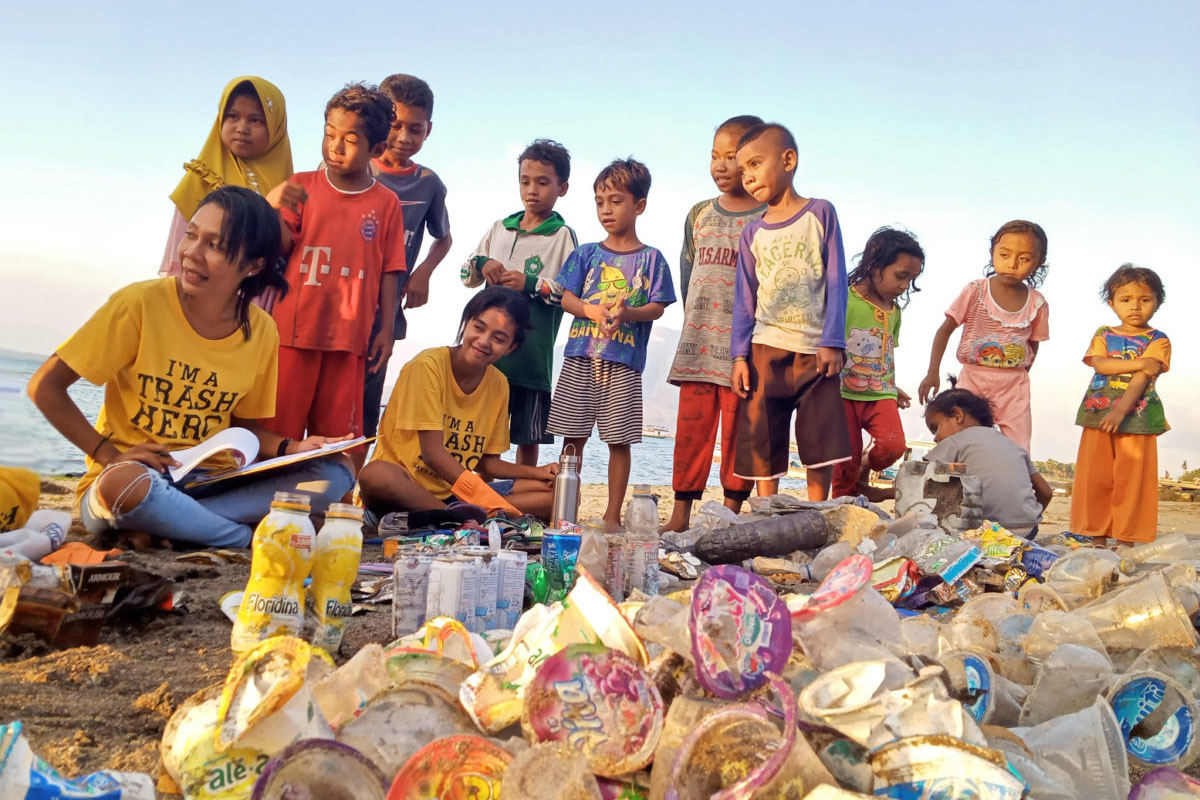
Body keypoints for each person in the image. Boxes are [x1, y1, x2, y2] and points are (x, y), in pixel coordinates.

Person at [28, 187, 354, 548]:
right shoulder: (139, 304)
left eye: (214, 245)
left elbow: (244, 431)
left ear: (253, 265)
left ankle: (177, 524)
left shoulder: (261, 331)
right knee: (122, 488)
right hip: (136, 478)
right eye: (191, 235)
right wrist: (109, 455)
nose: (191, 254)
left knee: (336, 471)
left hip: (210, 483)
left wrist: (294, 448)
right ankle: (238, 537)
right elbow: (44, 386)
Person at [264, 83, 406, 448]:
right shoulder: (301, 185)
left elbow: (391, 270)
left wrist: (385, 330)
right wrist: (273, 209)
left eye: (350, 140)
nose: (335, 147)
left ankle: (333, 504)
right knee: (279, 436)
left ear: (376, 149)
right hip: (293, 333)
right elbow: (278, 249)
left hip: (350, 339)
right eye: (329, 135)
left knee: (338, 442)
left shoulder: (387, 204)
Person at [545, 158, 677, 531]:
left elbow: (657, 308)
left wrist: (628, 313)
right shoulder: (586, 253)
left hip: (622, 362)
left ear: (639, 205)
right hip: (580, 357)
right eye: (600, 201)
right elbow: (566, 298)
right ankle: (565, 512)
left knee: (620, 441)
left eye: (615, 201)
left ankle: (611, 516)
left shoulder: (652, 258)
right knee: (573, 438)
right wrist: (590, 308)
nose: (606, 209)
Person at [358, 287, 557, 523]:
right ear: (467, 322)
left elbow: (486, 462)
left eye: (498, 338)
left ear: (511, 347)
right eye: (479, 327)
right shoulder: (427, 366)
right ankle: (465, 519)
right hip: (408, 487)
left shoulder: (499, 384)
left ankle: (449, 519)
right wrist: (485, 498)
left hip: (456, 495)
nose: (483, 341)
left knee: (554, 495)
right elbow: (432, 454)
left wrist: (537, 472)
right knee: (376, 475)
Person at [730, 123, 851, 501]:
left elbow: (835, 280)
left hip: (816, 349)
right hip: (766, 347)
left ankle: (818, 509)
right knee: (763, 433)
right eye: (742, 171)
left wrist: (832, 340)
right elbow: (744, 299)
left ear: (788, 160)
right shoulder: (752, 233)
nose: (748, 177)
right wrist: (739, 355)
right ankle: (766, 507)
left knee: (819, 435)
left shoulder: (820, 213)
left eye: (755, 164)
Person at [662, 115, 765, 533]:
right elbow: (689, 270)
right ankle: (680, 514)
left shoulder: (769, 216)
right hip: (698, 343)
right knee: (691, 431)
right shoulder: (699, 214)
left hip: (744, 349)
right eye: (714, 156)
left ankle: (729, 515)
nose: (721, 166)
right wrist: (693, 321)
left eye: (732, 157)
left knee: (740, 433)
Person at [461, 139, 577, 468]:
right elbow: (465, 274)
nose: (532, 190)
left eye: (543, 182)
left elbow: (571, 293)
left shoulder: (562, 236)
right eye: (525, 181)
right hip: (487, 358)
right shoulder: (500, 228)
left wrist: (531, 284)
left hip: (531, 359)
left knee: (529, 436)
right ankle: (478, 494)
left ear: (562, 188)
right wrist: (482, 263)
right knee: (482, 430)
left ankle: (525, 492)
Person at [361, 74, 453, 453]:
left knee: (366, 404)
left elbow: (443, 238)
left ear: (428, 130)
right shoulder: (357, 166)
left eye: (414, 129)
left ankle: (351, 491)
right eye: (395, 125)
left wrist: (423, 274)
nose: (403, 137)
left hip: (384, 315)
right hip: (340, 306)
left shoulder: (428, 184)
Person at [918, 220, 1050, 452]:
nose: (1012, 264)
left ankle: (1017, 484)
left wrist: (1020, 374)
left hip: (1014, 384)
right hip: (973, 378)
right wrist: (932, 373)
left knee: (1017, 444)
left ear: (1039, 263)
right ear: (992, 254)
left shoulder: (1037, 302)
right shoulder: (976, 291)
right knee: (963, 437)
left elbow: (1033, 343)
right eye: (1005, 254)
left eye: (1024, 258)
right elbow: (944, 330)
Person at [1070, 265, 1170, 545]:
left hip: (1138, 419)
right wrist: (1141, 361)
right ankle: (1097, 539)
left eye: (1144, 300)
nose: (1135, 307)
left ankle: (1126, 540)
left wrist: (1120, 410)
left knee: (1132, 482)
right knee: (1095, 478)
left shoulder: (1158, 339)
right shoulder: (1103, 334)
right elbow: (1101, 363)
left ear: (1157, 303)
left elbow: (1142, 380)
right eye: (1126, 300)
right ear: (1112, 303)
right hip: (1097, 414)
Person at [161, 76, 292, 277]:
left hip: (263, 301)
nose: (242, 128)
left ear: (276, 128)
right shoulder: (201, 180)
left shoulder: (289, 190)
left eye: (255, 120)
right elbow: (180, 256)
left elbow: (289, 252)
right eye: (232, 116)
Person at [832, 227, 925, 499]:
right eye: (900, 276)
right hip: (842, 393)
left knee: (893, 446)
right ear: (873, 265)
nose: (905, 285)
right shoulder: (844, 300)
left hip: (880, 393)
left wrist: (893, 387)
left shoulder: (894, 312)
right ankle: (842, 508)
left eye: (911, 279)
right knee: (843, 463)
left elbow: (884, 355)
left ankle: (865, 464)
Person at [924, 383, 1052, 538]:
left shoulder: (955, 441)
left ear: (957, 415)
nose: (935, 438)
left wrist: (886, 494)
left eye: (935, 427)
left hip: (985, 532)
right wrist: (1026, 519)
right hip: (1028, 530)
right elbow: (1046, 492)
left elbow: (916, 478)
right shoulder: (1012, 445)